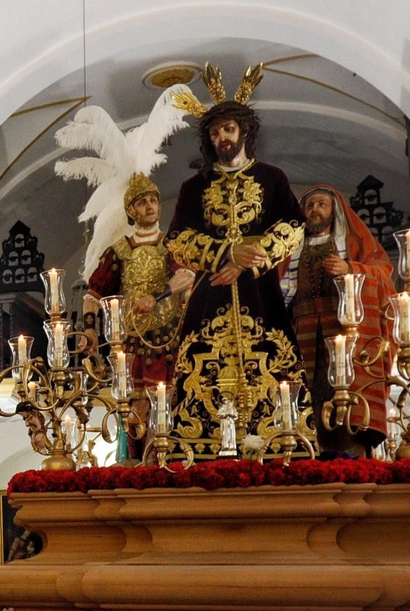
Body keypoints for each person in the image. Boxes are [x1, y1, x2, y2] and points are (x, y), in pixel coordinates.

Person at [165, 67, 305, 459]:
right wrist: (226, 254)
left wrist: (249, 260)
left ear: (244, 131)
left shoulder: (272, 178)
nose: (220, 138)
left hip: (260, 292)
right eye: (214, 133)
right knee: (196, 367)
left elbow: (294, 225)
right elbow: (176, 238)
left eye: (227, 130)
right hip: (209, 294)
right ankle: (195, 446)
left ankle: (283, 442)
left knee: (276, 363)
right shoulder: (194, 188)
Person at [279, 184, 394, 454]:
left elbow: (383, 272)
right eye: (309, 206)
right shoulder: (290, 249)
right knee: (306, 395)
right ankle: (308, 452)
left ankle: (349, 451)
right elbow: (279, 287)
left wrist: (350, 269)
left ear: (335, 211)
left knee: (343, 394)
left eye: (322, 204)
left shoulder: (350, 243)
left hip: (341, 329)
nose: (315, 210)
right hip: (302, 333)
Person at [83, 174, 194, 434]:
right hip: (133, 339)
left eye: (154, 200)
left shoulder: (170, 245)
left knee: (170, 403)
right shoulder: (119, 250)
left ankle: (166, 457)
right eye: (143, 202)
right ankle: (137, 462)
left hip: (169, 338)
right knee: (136, 407)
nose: (150, 206)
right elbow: (93, 293)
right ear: (131, 210)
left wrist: (156, 297)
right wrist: (89, 327)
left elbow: (186, 276)